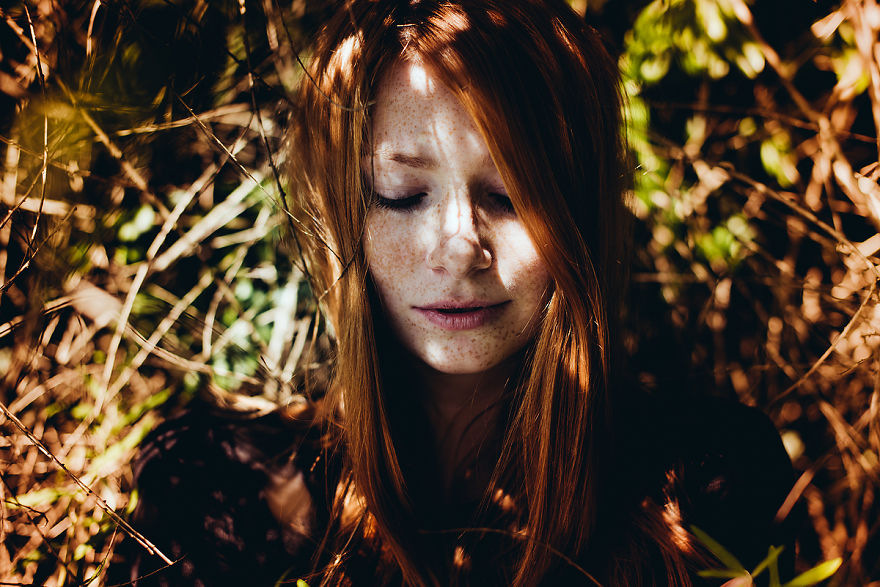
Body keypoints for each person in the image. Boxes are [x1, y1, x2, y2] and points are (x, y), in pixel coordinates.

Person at [109, 0, 798, 585]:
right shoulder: (215, 492)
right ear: (342, 211)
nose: (459, 246)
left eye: (510, 193)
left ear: (579, 212)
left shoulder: (705, 480)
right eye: (401, 194)